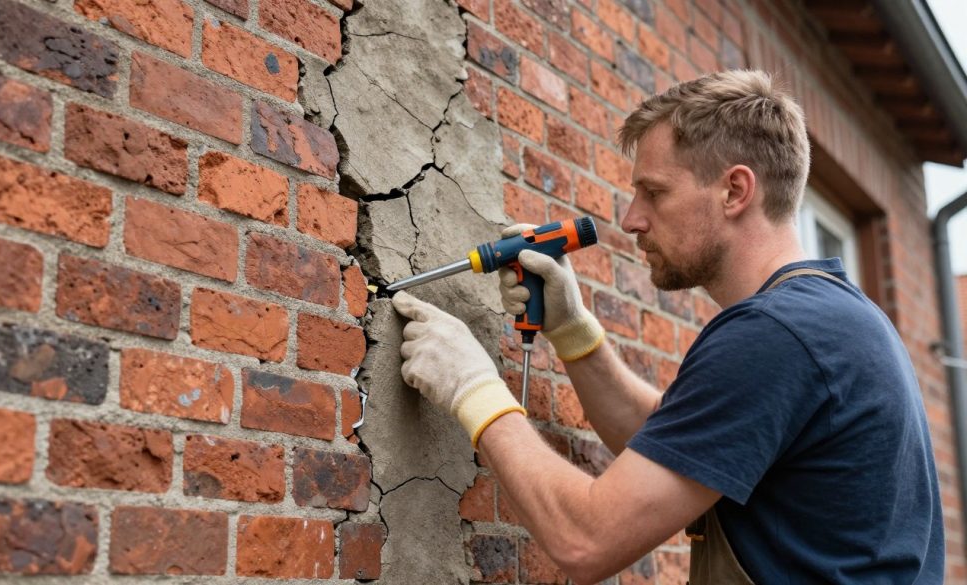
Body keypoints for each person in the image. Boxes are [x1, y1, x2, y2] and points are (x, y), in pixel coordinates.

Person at [391, 69, 944, 584]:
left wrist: (473, 388)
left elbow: (587, 539)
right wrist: (572, 329)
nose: (632, 219)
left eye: (654, 193)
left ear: (735, 191)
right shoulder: (833, 319)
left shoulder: (776, 334)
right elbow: (676, 441)